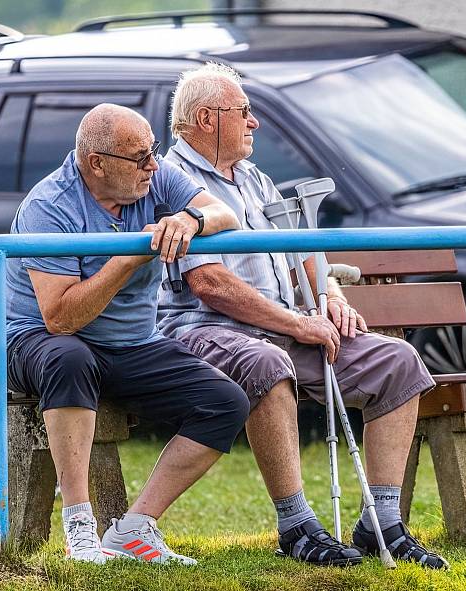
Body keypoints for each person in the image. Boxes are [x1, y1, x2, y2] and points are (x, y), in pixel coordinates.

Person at [157, 63, 449, 569]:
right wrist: (296, 324)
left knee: (398, 362)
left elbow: (301, 257)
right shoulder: (172, 180)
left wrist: (330, 293)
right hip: (206, 333)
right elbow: (209, 285)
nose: (255, 123)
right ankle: (296, 526)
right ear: (206, 118)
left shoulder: (252, 178)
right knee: (268, 364)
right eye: (244, 112)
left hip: (279, 330)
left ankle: (382, 522)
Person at [6, 103, 248, 565]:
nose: (153, 165)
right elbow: (60, 318)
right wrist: (128, 257)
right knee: (69, 357)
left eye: (153, 152)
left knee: (225, 403)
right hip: (41, 341)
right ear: (96, 163)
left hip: (131, 344)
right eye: (140, 158)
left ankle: (134, 528)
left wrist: (190, 221)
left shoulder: (155, 178)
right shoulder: (48, 206)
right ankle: (80, 525)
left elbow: (226, 212)